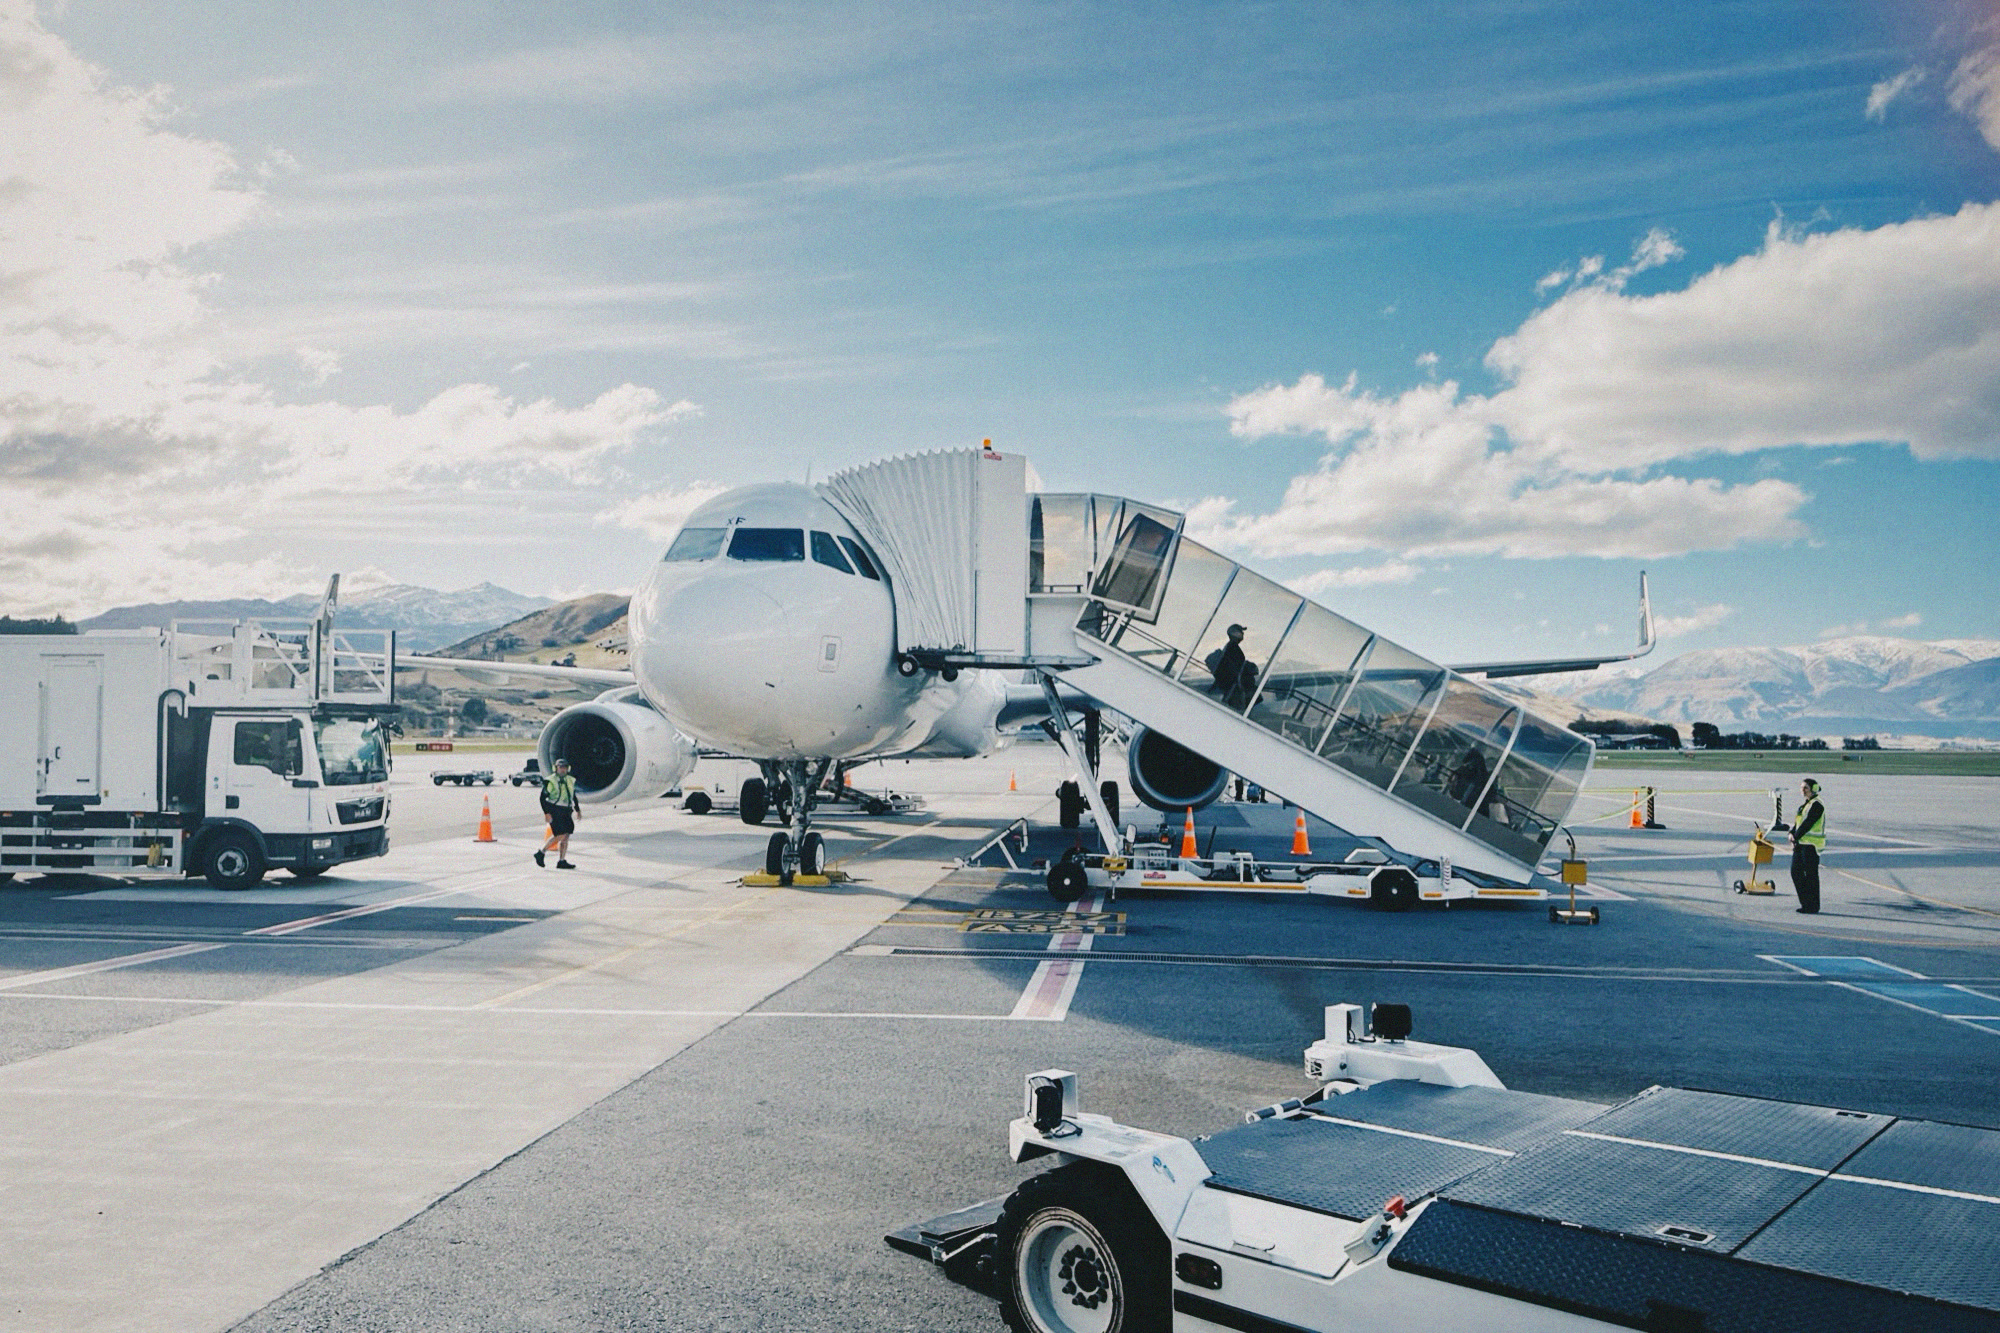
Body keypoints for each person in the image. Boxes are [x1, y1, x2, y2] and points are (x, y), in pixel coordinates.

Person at [1789, 777, 1826, 913]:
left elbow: (1808, 823)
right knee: (1796, 872)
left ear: (1813, 789)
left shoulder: (1817, 805)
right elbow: (1798, 822)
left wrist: (1796, 836)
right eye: (1802, 788)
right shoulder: (1806, 805)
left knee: (1811, 876)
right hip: (1801, 844)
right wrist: (1791, 833)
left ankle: (1813, 906)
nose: (1802, 790)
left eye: (1806, 788)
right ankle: (1806, 903)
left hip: (1811, 845)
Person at [536, 758, 581, 869]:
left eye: (565, 768)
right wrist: (546, 813)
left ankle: (561, 860)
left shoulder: (570, 780)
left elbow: (573, 795)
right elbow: (542, 798)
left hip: (566, 810)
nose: (563, 770)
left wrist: (577, 809)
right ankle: (541, 852)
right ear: (556, 768)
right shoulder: (550, 781)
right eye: (560, 768)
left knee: (566, 835)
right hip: (555, 810)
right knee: (559, 834)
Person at [1209, 624, 1248, 704]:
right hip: (1230, 685)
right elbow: (1231, 667)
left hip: (1228, 684)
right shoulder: (1233, 648)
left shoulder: (1230, 646)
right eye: (1240, 631)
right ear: (1234, 633)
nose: (1242, 634)